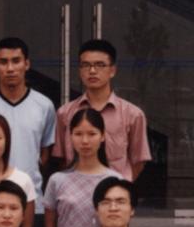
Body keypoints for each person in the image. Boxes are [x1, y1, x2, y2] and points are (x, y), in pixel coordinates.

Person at [0, 37, 56, 227]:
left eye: (16, 61)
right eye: (4, 62)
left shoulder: (44, 106)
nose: (10, 68)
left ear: (27, 64)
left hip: (32, 203)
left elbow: (45, 153)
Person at [52, 39, 151, 181]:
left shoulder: (132, 114)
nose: (92, 71)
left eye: (100, 65)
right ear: (80, 70)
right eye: (86, 65)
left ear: (112, 70)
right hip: (76, 189)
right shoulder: (65, 113)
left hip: (114, 191)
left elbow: (138, 160)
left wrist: (120, 185)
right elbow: (61, 159)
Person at [44, 108, 118, 227]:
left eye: (92, 134)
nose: (85, 141)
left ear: (102, 136)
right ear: (70, 136)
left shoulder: (115, 181)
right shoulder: (57, 180)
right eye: (78, 134)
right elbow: (50, 225)